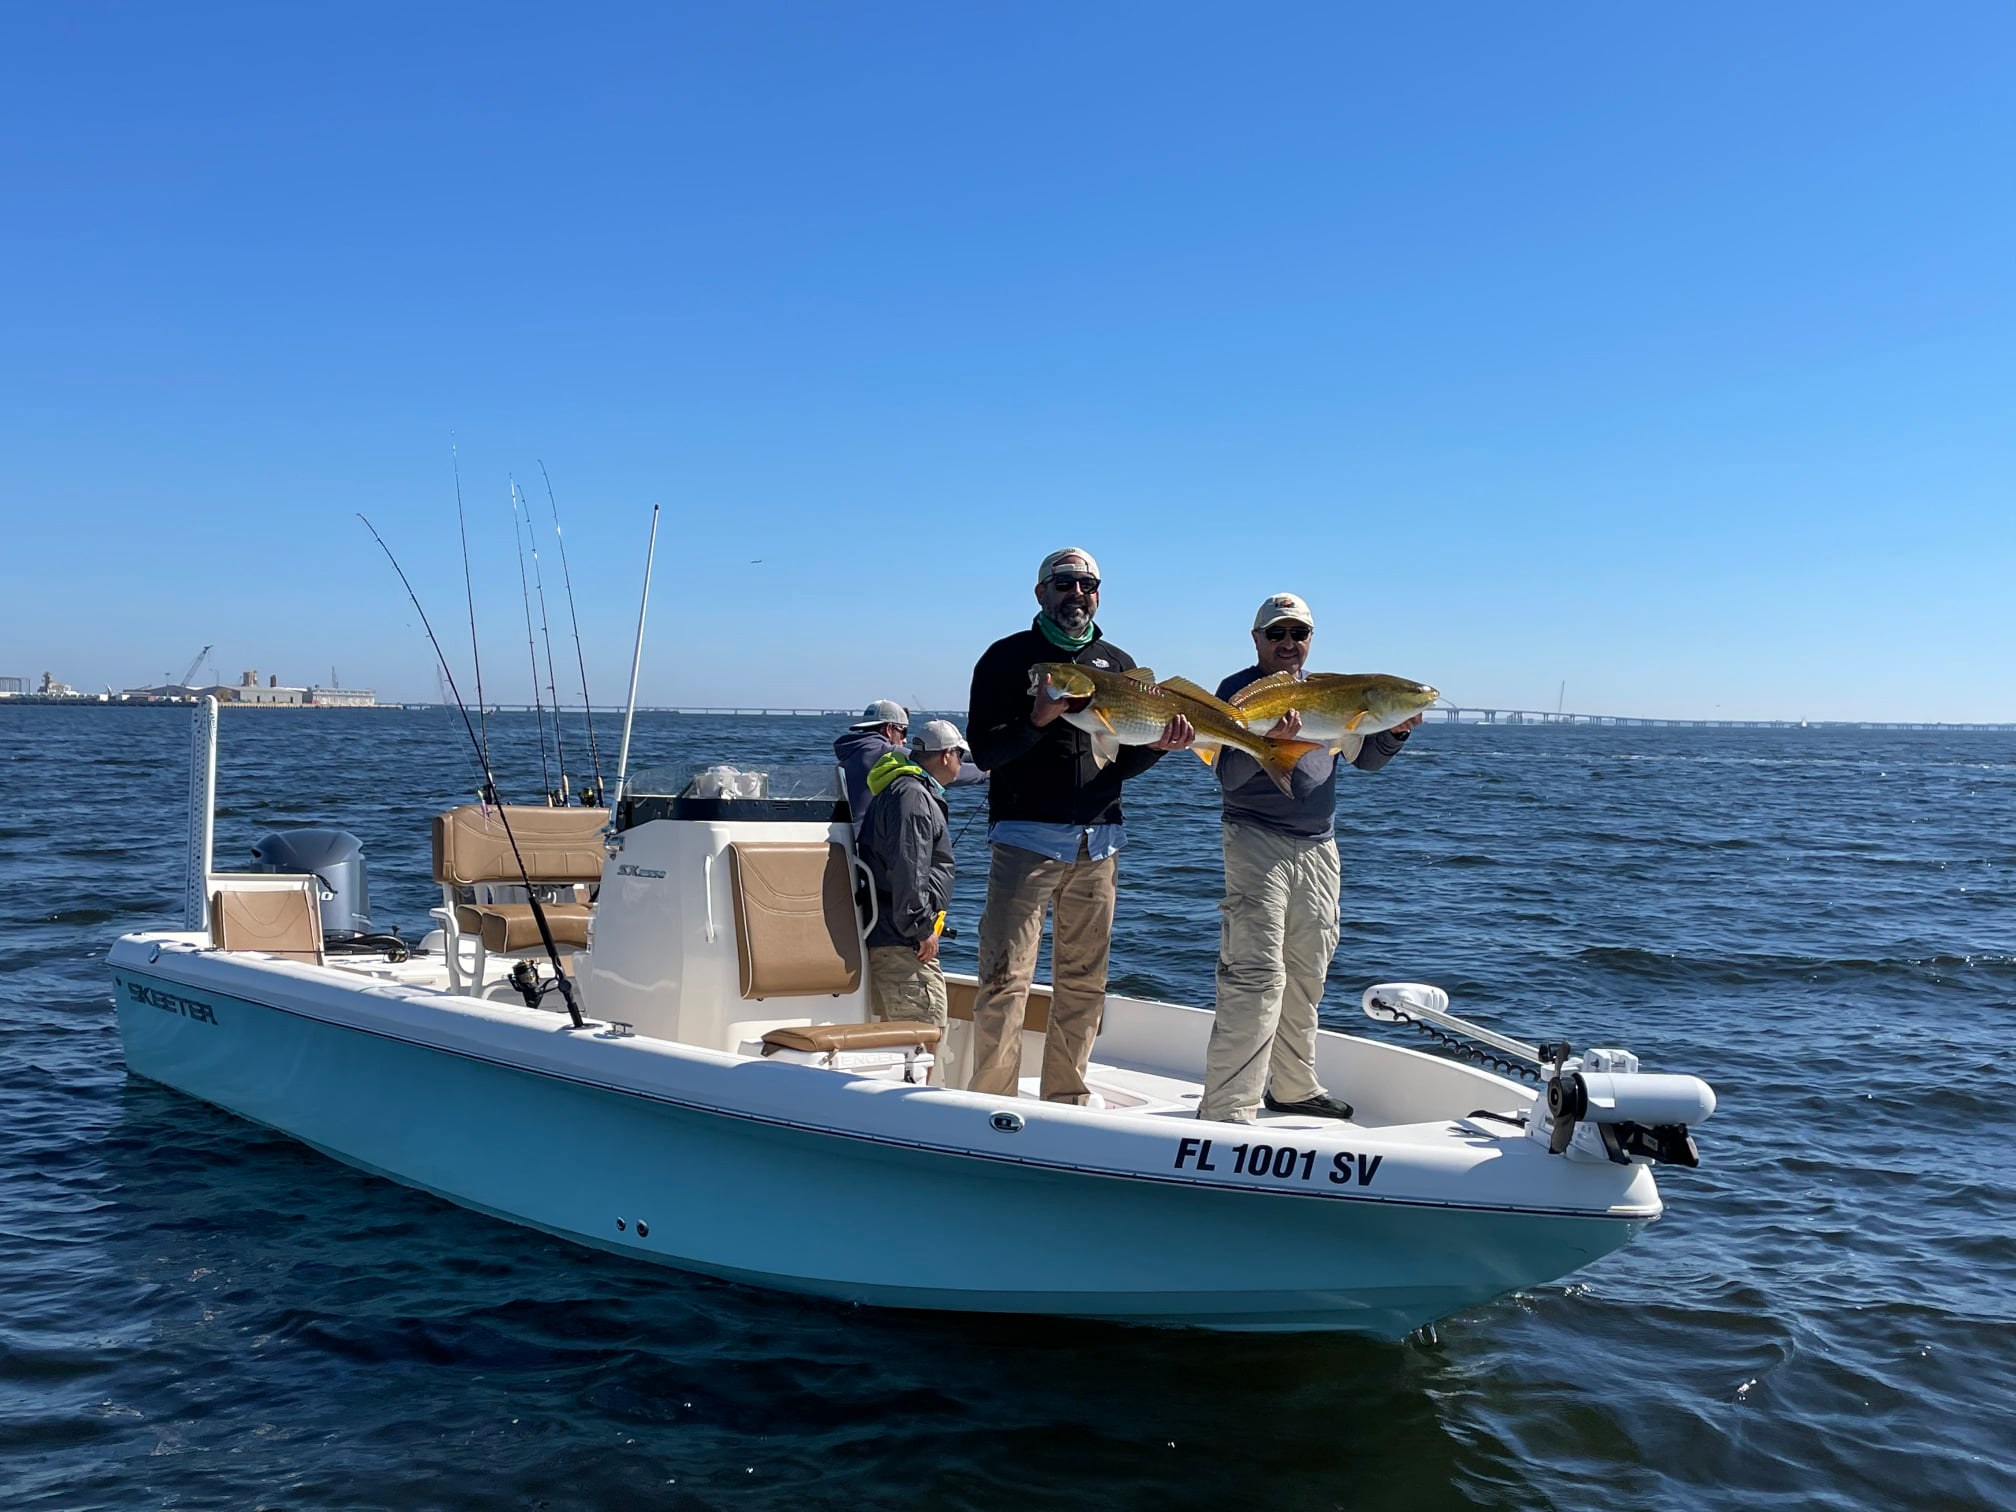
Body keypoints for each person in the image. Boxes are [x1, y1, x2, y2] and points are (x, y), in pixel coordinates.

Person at [965, 548, 1194, 1104]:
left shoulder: (1120, 664)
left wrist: (1162, 748)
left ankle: (1066, 1098)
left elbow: (1123, 763)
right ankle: (992, 1100)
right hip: (1025, 841)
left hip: (1100, 842)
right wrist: (1037, 719)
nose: (1078, 593)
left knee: (1085, 982)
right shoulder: (1006, 659)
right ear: (1041, 593)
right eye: (1065, 583)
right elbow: (986, 750)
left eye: (1088, 584)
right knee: (1004, 979)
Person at [1197, 592, 1423, 1125]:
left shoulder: (1331, 694)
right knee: (1255, 973)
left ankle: (1293, 1087)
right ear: (1256, 640)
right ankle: (1229, 1106)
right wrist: (1266, 745)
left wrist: (1392, 734)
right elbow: (1227, 778)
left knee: (1307, 971)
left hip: (1321, 846)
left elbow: (1366, 759)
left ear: (1310, 641)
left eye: (1298, 634)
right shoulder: (1239, 693)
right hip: (1256, 842)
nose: (1287, 644)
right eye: (1276, 634)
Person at [857, 720, 968, 1051]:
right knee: (924, 1033)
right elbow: (909, 868)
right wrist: (920, 929)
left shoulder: (902, 790)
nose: (961, 763)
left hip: (892, 933)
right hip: (903, 940)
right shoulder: (913, 797)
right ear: (946, 755)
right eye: (960, 754)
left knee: (902, 1036)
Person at [835, 699, 983, 838]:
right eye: (903, 731)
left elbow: (938, 757)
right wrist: (988, 769)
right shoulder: (888, 754)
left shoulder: (850, 754)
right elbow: (940, 769)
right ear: (888, 729)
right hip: (868, 848)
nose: (905, 740)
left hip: (845, 840)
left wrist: (975, 754)